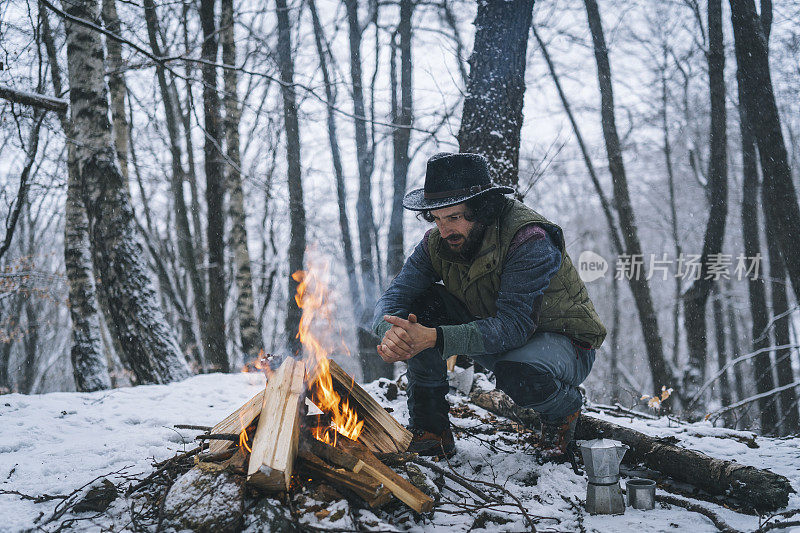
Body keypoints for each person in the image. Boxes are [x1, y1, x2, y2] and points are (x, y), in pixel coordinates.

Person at [372, 152, 606, 459]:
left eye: (453, 218)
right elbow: (395, 296)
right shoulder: (436, 243)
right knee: (418, 309)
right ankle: (431, 430)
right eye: (437, 219)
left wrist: (435, 337)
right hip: (494, 334)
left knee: (518, 375)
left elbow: (515, 326)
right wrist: (391, 330)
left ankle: (564, 409)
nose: (444, 231)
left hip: (563, 343)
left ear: (481, 209)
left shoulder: (529, 239)